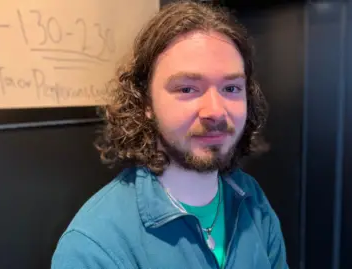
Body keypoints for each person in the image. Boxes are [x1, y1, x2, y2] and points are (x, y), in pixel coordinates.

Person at [51, 1, 288, 268]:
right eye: (187, 89)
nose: (215, 111)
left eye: (231, 88)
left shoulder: (251, 199)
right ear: (146, 103)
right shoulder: (95, 245)